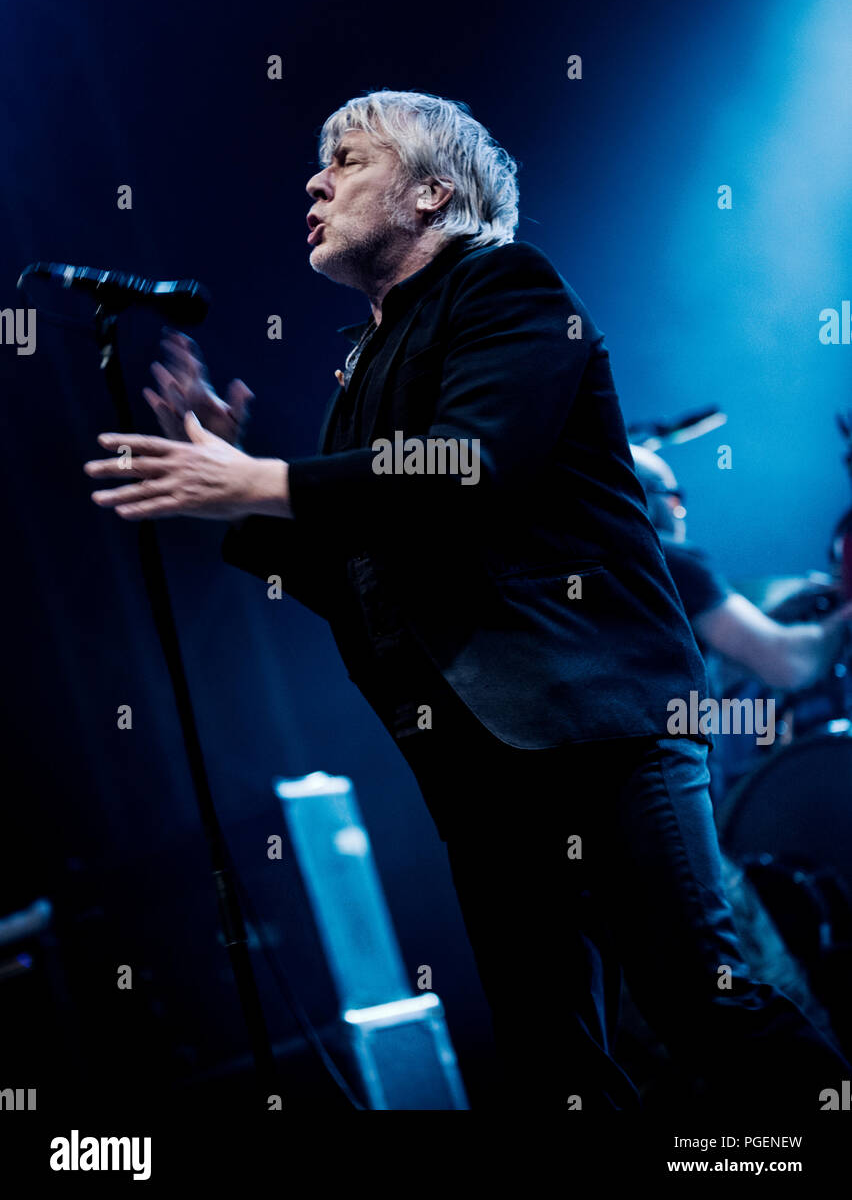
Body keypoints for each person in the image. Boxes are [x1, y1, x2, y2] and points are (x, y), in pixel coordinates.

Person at [84, 89, 849, 1112]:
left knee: (698, 1000)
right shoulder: (362, 370)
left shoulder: (506, 286)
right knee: (549, 1057)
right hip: (479, 757)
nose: (314, 181)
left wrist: (262, 479)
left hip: (596, 719)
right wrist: (224, 484)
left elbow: (468, 465)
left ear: (431, 194)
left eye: (346, 159)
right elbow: (360, 574)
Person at [630, 444, 852, 801]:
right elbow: (788, 665)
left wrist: (771, 621)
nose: (681, 515)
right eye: (675, 501)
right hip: (672, 794)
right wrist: (843, 618)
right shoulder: (667, 558)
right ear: (649, 499)